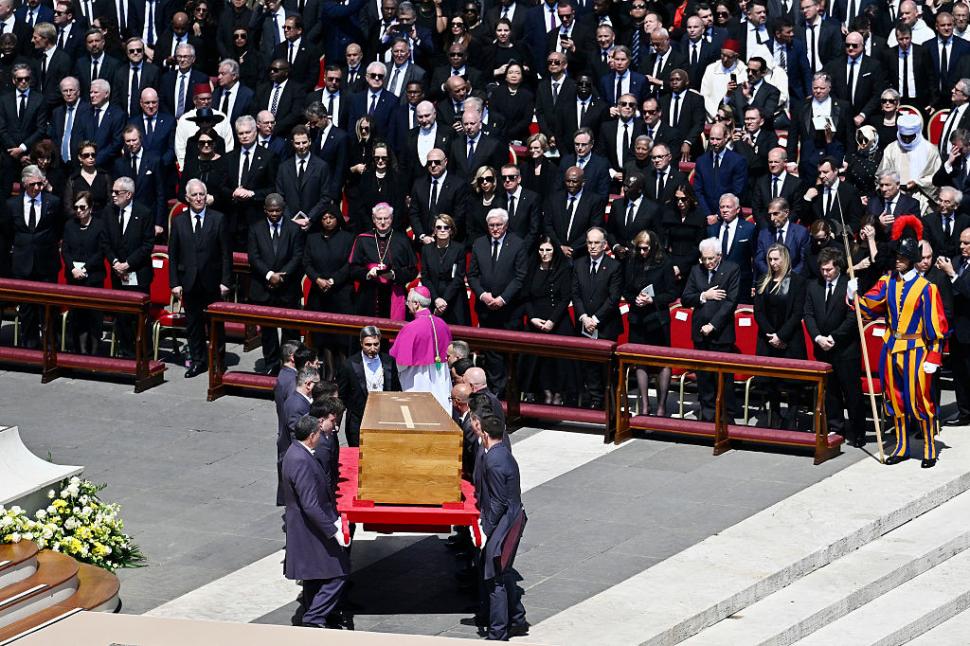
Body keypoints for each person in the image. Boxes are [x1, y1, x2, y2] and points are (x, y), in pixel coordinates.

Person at [851, 217, 948, 467]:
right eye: (896, 256)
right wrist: (854, 294)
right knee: (895, 401)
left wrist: (934, 357)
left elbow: (937, 327)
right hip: (892, 347)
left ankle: (928, 448)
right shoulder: (887, 282)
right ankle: (902, 445)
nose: (897, 260)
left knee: (920, 400)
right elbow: (869, 308)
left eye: (902, 257)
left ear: (911, 259)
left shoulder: (928, 288)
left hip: (916, 350)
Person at [280, 414, 352, 630]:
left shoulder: (296, 452)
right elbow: (310, 504)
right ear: (312, 436)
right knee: (338, 572)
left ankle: (319, 613)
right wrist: (333, 530)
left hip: (308, 527)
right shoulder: (301, 460)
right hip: (310, 529)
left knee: (314, 575)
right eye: (319, 433)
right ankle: (314, 618)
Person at [168, 179, 232, 378]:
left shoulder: (218, 219)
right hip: (189, 281)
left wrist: (225, 281)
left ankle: (219, 361)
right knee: (194, 325)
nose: (198, 198)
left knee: (216, 324)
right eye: (194, 195)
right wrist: (175, 283)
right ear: (187, 198)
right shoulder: (179, 222)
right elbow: (174, 255)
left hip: (212, 282)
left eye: (201, 195)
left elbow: (225, 254)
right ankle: (198, 361)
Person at [804, 247, 867, 446]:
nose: (825, 274)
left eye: (829, 270)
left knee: (852, 393)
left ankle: (858, 432)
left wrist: (833, 337)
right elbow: (809, 314)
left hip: (845, 349)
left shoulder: (849, 286)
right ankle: (836, 427)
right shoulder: (814, 286)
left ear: (838, 267)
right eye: (822, 270)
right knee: (830, 392)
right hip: (822, 348)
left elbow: (852, 318)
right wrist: (817, 338)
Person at [478, 414, 528, 641]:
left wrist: (485, 528)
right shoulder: (502, 454)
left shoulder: (494, 461)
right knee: (503, 571)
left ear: (485, 435)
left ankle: (498, 632)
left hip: (506, 524)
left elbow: (498, 502)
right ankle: (517, 618)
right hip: (512, 518)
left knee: (495, 575)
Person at [467, 208, 528, 395]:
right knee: (492, 353)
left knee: (510, 353)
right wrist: (483, 295)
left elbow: (520, 276)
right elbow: (472, 275)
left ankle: (512, 393)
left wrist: (503, 299)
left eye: (499, 225)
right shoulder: (479, 244)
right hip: (486, 309)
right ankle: (495, 394)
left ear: (506, 225)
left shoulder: (518, 244)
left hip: (510, 310)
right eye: (492, 225)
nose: (495, 229)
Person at [680, 237, 740, 421]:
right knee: (704, 376)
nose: (707, 262)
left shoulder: (731, 269)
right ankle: (707, 413)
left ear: (719, 255)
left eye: (711, 258)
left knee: (723, 377)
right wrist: (704, 295)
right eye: (704, 258)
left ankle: (726, 413)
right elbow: (685, 298)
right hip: (699, 332)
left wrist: (713, 325)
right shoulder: (696, 271)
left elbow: (730, 302)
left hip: (721, 333)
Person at [248, 193, 305, 375]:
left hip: (287, 287)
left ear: (283, 208)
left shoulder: (294, 229)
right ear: (265, 210)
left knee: (290, 330)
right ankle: (271, 363)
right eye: (271, 210)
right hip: (264, 287)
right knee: (268, 330)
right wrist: (269, 275)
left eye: (278, 210)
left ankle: (290, 364)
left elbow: (297, 256)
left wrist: (281, 277)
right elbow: (254, 257)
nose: (274, 214)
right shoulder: (255, 229)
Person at [753, 243, 807, 428]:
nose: (773, 263)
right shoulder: (763, 280)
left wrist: (781, 336)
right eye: (770, 259)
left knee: (792, 382)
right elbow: (758, 311)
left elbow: (797, 313)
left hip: (790, 339)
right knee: (770, 381)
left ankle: (792, 416)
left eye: (776, 259)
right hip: (768, 339)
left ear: (785, 259)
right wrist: (771, 335)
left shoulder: (797, 281)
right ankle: (774, 414)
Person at [623, 230, 677, 416]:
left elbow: (671, 293)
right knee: (640, 362)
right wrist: (635, 299)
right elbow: (626, 289)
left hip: (657, 319)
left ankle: (661, 406)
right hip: (638, 318)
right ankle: (645, 405)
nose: (643, 252)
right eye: (639, 249)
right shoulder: (632, 261)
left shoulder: (665, 263)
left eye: (646, 249)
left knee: (662, 362)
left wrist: (652, 300)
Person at [521, 236, 575, 406]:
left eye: (548, 250)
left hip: (557, 320)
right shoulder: (531, 268)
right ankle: (543, 392)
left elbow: (565, 297)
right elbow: (526, 296)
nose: (544, 254)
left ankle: (558, 393)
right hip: (536, 319)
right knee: (534, 356)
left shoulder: (563, 268)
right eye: (541, 250)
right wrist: (533, 318)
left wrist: (552, 321)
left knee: (559, 357)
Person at [104, 176, 155, 358]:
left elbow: (148, 245)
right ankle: (125, 352)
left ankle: (144, 354)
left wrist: (128, 263)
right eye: (112, 192)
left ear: (129, 194)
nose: (113, 195)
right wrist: (115, 262)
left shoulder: (144, 213)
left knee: (139, 316)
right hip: (118, 272)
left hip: (138, 273)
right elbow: (105, 241)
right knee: (122, 316)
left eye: (117, 192)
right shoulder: (109, 211)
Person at [572, 227, 622, 409]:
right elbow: (575, 294)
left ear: (604, 245)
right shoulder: (579, 264)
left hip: (606, 324)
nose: (592, 246)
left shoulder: (614, 266)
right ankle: (595, 399)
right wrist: (584, 317)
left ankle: (609, 401)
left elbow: (613, 298)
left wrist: (595, 319)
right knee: (589, 364)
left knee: (606, 366)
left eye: (596, 243)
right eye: (589, 243)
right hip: (585, 323)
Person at [303, 210, 355, 380]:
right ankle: (329, 373)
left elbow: (350, 264)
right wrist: (317, 279)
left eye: (331, 217)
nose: (327, 221)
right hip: (319, 293)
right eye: (324, 218)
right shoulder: (312, 238)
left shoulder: (348, 238)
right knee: (323, 336)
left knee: (341, 336)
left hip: (341, 293)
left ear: (338, 219)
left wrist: (332, 281)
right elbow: (307, 262)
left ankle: (344, 373)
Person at [348, 202, 418, 319]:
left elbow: (412, 270)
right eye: (379, 218)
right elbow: (352, 269)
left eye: (386, 218)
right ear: (373, 219)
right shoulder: (362, 239)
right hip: (368, 296)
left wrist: (394, 275)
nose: (382, 222)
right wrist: (368, 273)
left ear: (391, 219)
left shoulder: (402, 240)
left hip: (394, 294)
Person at [390, 286, 454, 411]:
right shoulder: (443, 324)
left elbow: (401, 364)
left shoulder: (410, 328)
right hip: (441, 378)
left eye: (408, 301)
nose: (407, 304)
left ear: (416, 304)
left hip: (418, 381)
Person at [336, 326, 401, 447]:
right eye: (368, 345)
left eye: (376, 344)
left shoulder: (389, 361)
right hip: (358, 420)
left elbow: (397, 391)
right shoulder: (349, 365)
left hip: (384, 419)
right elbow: (342, 396)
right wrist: (337, 422)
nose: (372, 348)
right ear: (361, 343)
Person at [61, 191, 107, 355]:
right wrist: (73, 268)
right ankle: (80, 352)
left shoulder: (100, 225)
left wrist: (85, 268)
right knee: (78, 316)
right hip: (74, 277)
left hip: (93, 278)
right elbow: (65, 250)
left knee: (93, 317)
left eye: (82, 207)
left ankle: (94, 353)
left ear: (91, 208)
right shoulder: (69, 225)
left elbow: (101, 252)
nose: (79, 211)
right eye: (76, 207)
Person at [420, 214, 470, 326]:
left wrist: (444, 300)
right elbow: (425, 277)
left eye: (446, 227)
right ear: (434, 230)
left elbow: (458, 278)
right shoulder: (426, 250)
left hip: (454, 300)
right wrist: (436, 299)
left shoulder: (459, 249)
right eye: (439, 227)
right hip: (434, 298)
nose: (442, 230)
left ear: (451, 231)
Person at [662, 183, 707, 292]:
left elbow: (698, 246)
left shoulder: (699, 216)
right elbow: (664, 244)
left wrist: (680, 268)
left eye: (683, 199)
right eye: (677, 199)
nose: (680, 202)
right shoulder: (669, 215)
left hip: (691, 263)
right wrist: (672, 267)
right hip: (671, 262)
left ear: (690, 198)